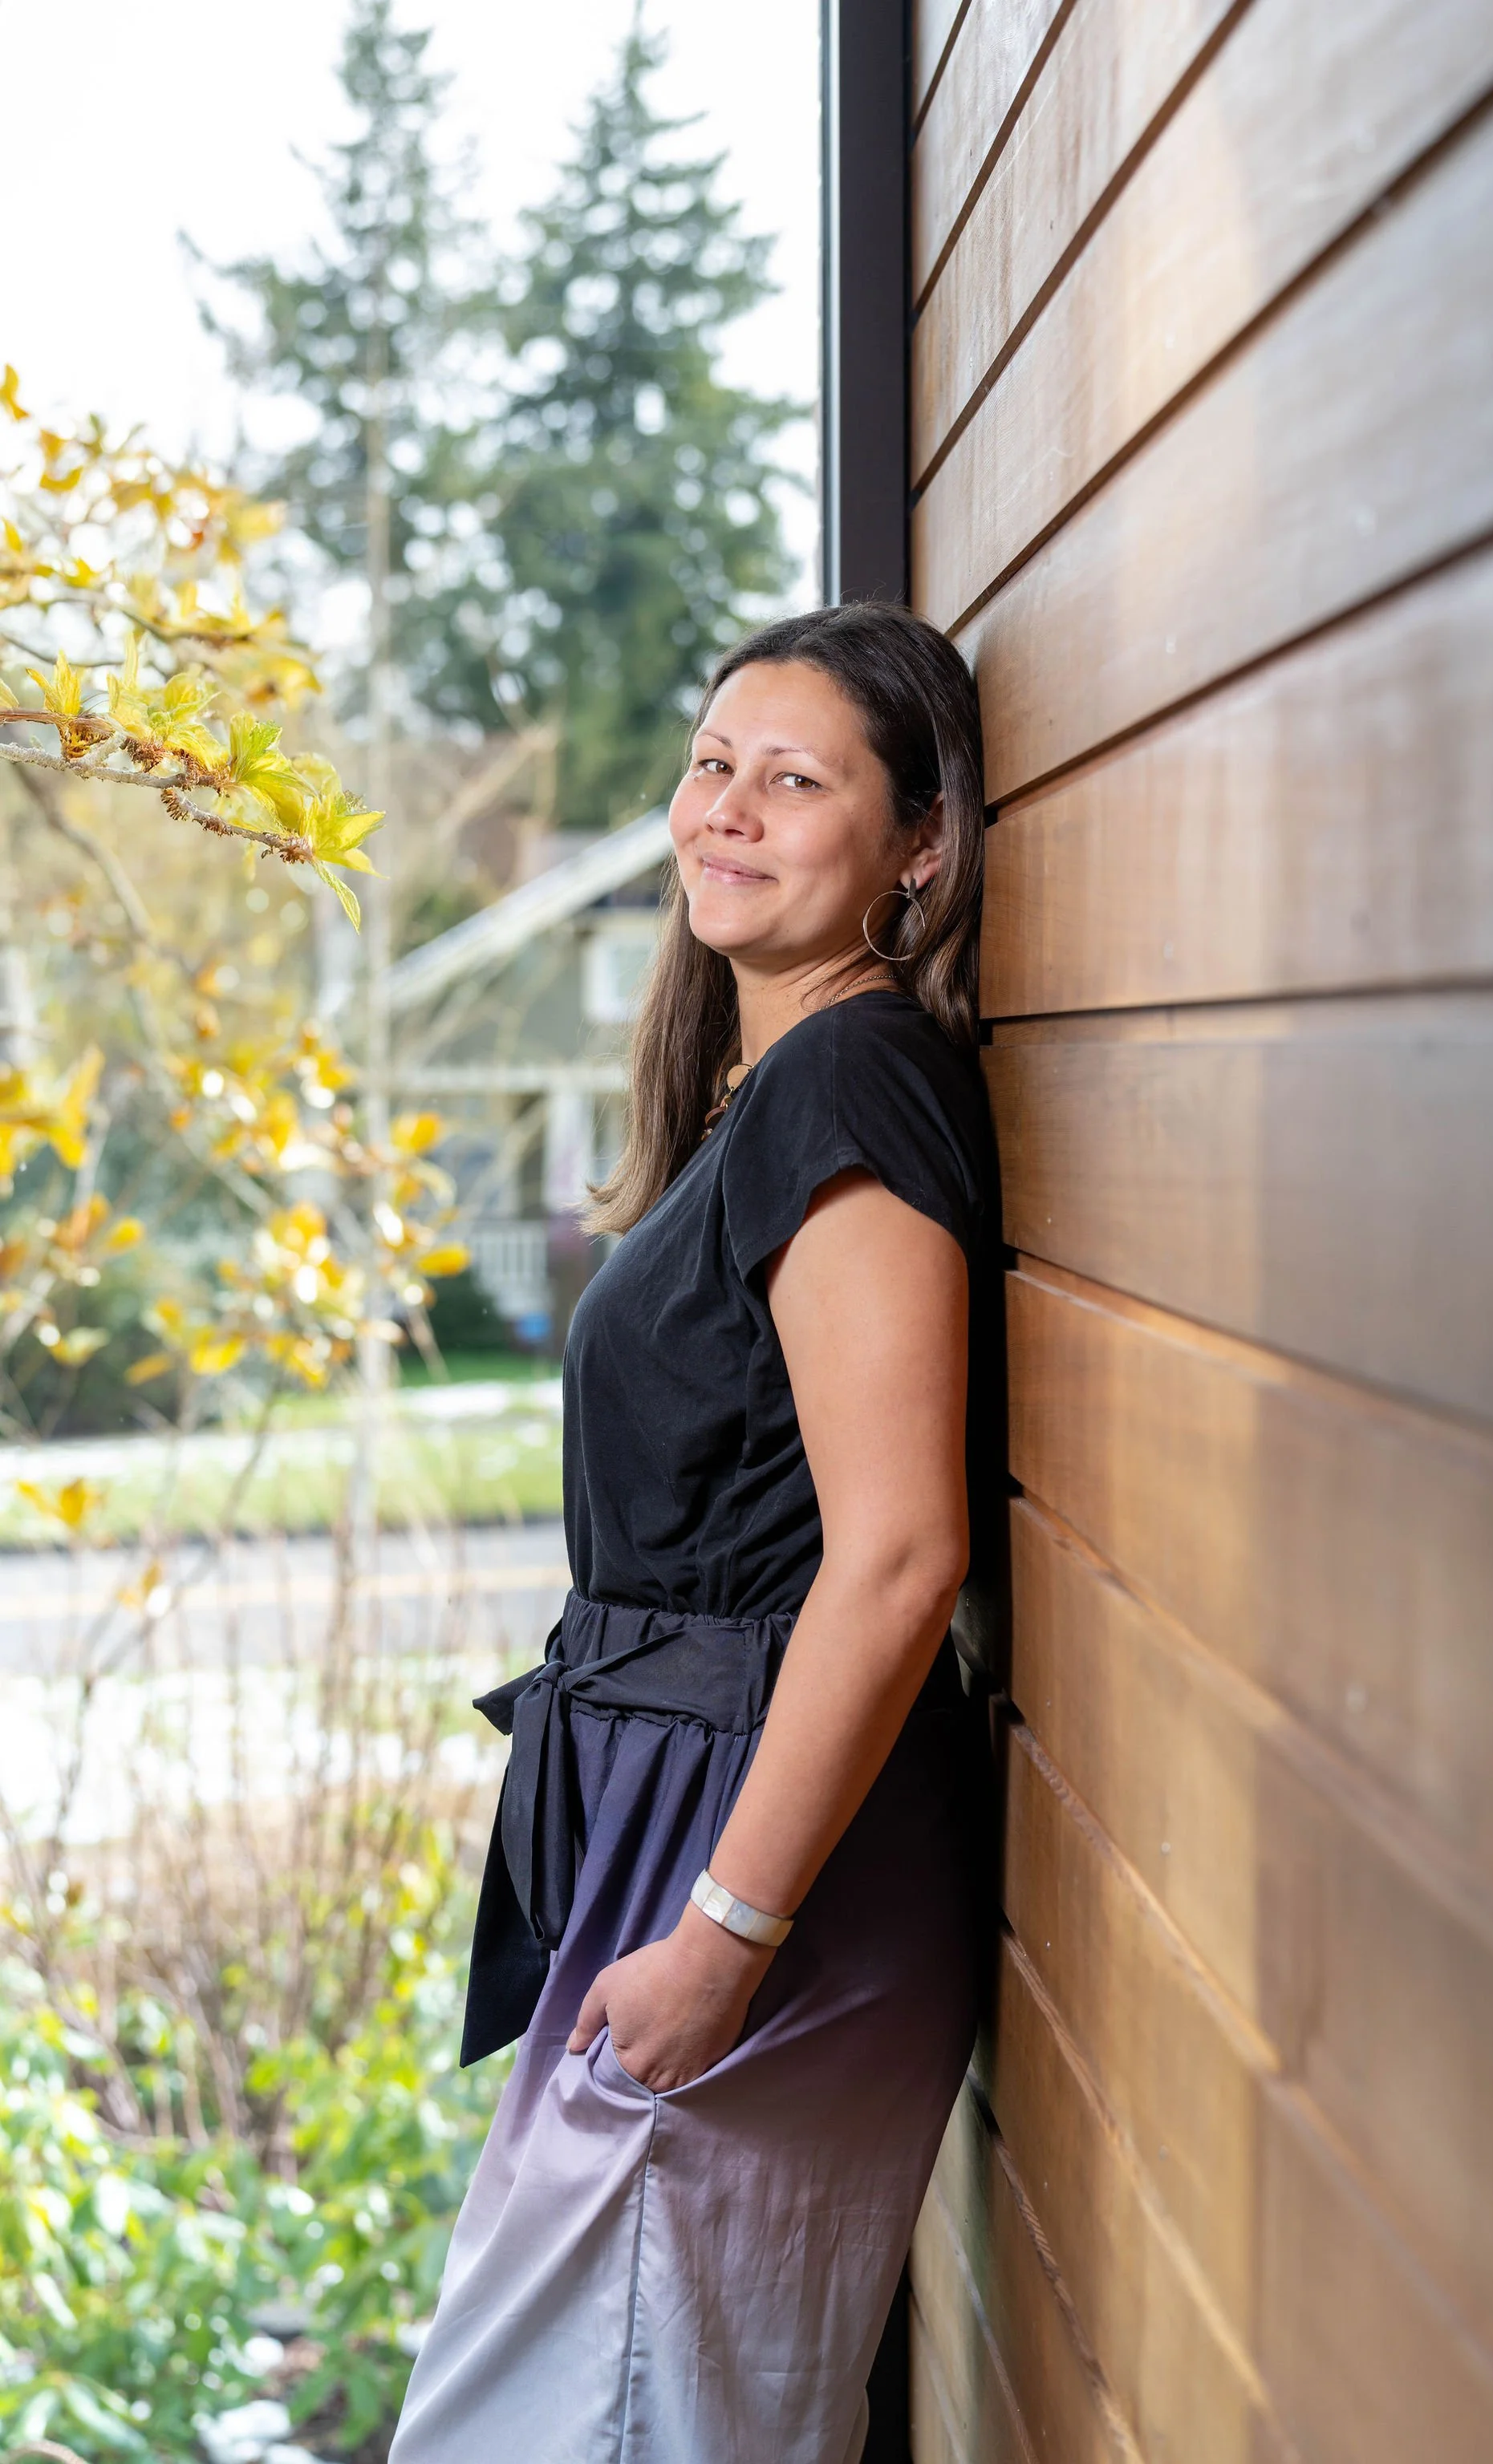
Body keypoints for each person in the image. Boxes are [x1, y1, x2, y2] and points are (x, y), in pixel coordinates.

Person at [388, 603, 997, 2464]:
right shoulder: (759, 1086)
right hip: (680, 1814)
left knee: (600, 2423)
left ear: (916, 845)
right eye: (712, 762)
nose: (726, 810)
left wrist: (728, 1931)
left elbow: (900, 1553)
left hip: (759, 1851)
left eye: (796, 779)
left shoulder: (847, 1081)